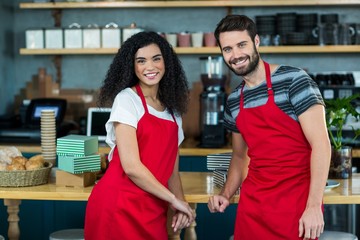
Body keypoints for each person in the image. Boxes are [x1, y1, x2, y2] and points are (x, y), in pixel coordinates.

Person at [207, 15, 331, 240]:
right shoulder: (234, 100)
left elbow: (321, 145)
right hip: (253, 205)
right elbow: (239, 156)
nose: (235, 55)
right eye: (227, 49)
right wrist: (225, 193)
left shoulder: (294, 80)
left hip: (296, 202)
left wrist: (314, 206)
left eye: (241, 45)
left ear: (256, 41)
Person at [84, 31, 195, 240]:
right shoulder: (127, 100)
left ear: (166, 62)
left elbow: (172, 171)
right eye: (141, 61)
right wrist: (173, 200)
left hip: (153, 208)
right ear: (132, 67)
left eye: (156, 58)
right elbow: (132, 167)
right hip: (118, 206)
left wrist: (181, 204)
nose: (150, 67)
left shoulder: (173, 110)